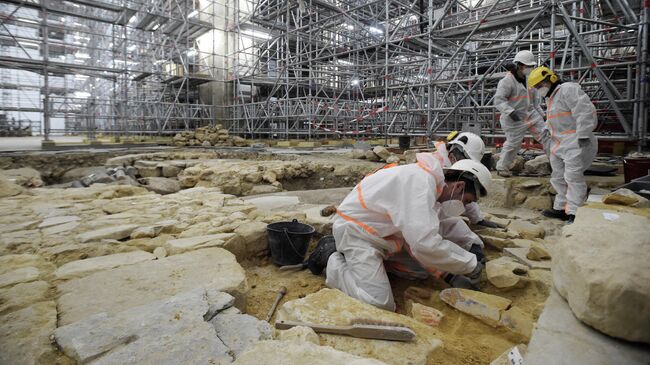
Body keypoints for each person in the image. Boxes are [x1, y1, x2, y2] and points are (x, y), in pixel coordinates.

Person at [311, 154, 492, 311]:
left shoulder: (430, 186)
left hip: (384, 236)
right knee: (379, 303)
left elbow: (429, 232)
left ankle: (373, 267)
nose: (465, 207)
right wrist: (470, 265)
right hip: (358, 234)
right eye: (467, 201)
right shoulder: (420, 185)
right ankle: (331, 258)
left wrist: (453, 270)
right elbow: (424, 244)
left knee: (419, 272)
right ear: (459, 187)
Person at [528, 66, 597, 224]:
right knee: (558, 177)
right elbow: (555, 118)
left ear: (551, 79)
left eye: (540, 85)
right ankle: (561, 208)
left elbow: (585, 112)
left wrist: (584, 134)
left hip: (574, 141)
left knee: (573, 178)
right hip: (558, 143)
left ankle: (574, 212)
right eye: (537, 87)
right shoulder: (551, 97)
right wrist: (546, 128)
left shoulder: (568, 89)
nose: (539, 89)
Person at [494, 50, 549, 177]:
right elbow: (499, 100)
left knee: (546, 135)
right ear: (519, 65)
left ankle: (558, 163)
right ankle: (502, 167)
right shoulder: (507, 81)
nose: (530, 68)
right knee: (514, 144)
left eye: (531, 66)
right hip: (514, 119)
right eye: (528, 66)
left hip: (530, 114)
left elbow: (535, 103)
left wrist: (543, 115)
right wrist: (510, 111)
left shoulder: (530, 80)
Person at [433, 131, 499, 228]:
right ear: (455, 153)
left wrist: (477, 219)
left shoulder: (451, 165)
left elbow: (465, 195)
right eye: (465, 160)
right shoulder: (436, 167)